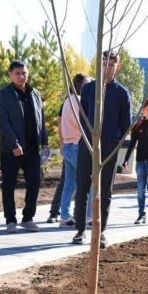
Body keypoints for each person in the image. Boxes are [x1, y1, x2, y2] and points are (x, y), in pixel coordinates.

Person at [72, 50, 132, 248]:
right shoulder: (88, 89)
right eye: (104, 64)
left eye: (112, 65)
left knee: (105, 190)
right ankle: (80, 230)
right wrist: (90, 135)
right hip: (88, 143)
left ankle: (101, 231)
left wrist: (115, 143)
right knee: (82, 187)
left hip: (110, 145)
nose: (107, 68)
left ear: (117, 67)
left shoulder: (122, 93)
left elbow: (126, 125)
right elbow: (83, 117)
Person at [0, 60, 49, 233]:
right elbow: (3, 123)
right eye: (17, 73)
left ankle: (28, 217)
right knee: (9, 184)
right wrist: (14, 145)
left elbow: (42, 120)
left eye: (24, 72)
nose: (21, 76)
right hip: (11, 150)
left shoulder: (35, 94)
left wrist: (45, 143)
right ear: (10, 75)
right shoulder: (3, 95)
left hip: (32, 148)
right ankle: (10, 220)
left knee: (34, 181)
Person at [49, 73, 90, 228]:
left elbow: (60, 124)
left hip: (67, 146)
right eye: (87, 83)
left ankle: (64, 216)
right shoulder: (79, 102)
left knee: (69, 183)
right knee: (85, 183)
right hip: (78, 146)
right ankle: (84, 216)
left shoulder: (67, 101)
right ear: (79, 85)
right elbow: (85, 124)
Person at [123, 96, 148, 225]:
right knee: (141, 190)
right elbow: (132, 143)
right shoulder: (137, 126)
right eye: (147, 109)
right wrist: (126, 159)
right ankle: (141, 214)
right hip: (140, 162)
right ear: (142, 111)